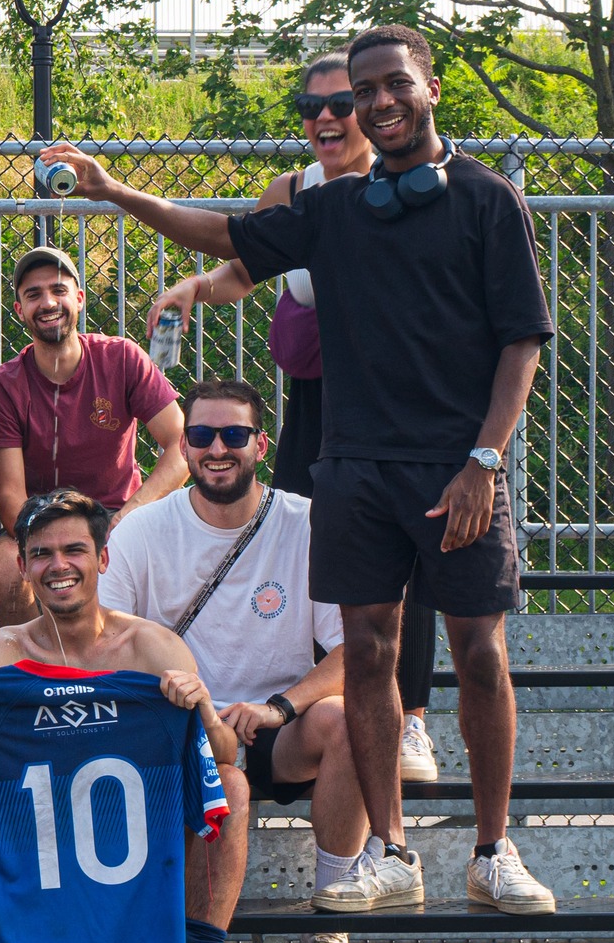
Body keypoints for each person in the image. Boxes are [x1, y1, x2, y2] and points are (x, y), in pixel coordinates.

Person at [41, 22, 557, 916]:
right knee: (368, 653)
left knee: (478, 653)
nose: (378, 103)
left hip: (457, 470)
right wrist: (114, 189)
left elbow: (522, 343)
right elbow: (222, 234)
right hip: (355, 468)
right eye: (363, 92)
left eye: (394, 84)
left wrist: (485, 459)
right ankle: (391, 854)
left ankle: (491, 848)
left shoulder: (484, 198)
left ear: (429, 87)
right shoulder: (337, 208)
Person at [148, 49, 439, 786]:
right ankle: (337, 699)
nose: (330, 118)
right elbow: (245, 268)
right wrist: (195, 288)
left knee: (407, 551)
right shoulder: (295, 189)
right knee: (324, 540)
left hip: (391, 393)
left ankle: (410, 717)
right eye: (313, 108)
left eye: (344, 103)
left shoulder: (403, 187)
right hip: (318, 392)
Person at [0, 489, 247, 943]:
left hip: (133, 828)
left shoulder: (150, 647)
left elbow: (223, 757)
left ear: (102, 558)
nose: (59, 566)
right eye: (42, 553)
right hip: (38, 830)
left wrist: (200, 707)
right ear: (22, 567)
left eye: (74, 549)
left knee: (234, 790)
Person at [98, 379, 366, 943]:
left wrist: (279, 708)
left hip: (270, 726)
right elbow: (102, 640)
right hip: (177, 726)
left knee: (351, 718)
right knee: (230, 788)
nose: (217, 448)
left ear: (261, 445)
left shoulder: (306, 522)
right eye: (201, 435)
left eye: (234, 434)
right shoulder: (141, 531)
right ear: (184, 447)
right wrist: (179, 704)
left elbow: (355, 653)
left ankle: (333, 905)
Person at [0, 246, 188, 624]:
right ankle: (34, 671)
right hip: (41, 519)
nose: (48, 302)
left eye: (58, 290)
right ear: (19, 310)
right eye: (33, 295)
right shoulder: (4, 385)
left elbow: (181, 444)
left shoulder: (122, 358)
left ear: (78, 298)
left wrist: (131, 514)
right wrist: (51, 537)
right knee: (5, 569)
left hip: (118, 511)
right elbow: (10, 495)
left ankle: (141, 665)